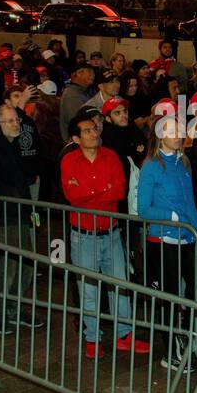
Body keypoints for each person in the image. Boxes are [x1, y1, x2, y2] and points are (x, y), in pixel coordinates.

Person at [60, 113, 146, 359]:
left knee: (119, 285)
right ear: (76, 138)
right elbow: (73, 196)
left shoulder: (111, 156)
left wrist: (90, 191)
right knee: (88, 289)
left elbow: (119, 190)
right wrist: (101, 190)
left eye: (95, 129)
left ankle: (124, 335)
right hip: (83, 235)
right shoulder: (69, 161)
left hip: (111, 232)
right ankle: (92, 338)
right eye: (87, 131)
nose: (94, 133)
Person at [137, 119, 197, 370]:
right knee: (171, 297)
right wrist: (173, 218)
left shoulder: (184, 163)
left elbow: (189, 201)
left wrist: (196, 225)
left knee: (191, 295)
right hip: (164, 239)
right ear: (159, 136)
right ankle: (170, 352)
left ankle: (185, 343)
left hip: (187, 238)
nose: (178, 135)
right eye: (172, 131)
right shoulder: (151, 167)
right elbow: (143, 209)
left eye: (180, 130)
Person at [0, 103, 43, 329]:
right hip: (4, 218)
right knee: (7, 267)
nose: (17, 125)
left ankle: (14, 308)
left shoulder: (10, 146)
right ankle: (0, 312)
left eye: (18, 120)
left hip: (19, 214)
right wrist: (14, 194)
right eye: (11, 121)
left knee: (25, 266)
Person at [58, 64, 94, 137]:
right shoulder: (72, 95)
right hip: (79, 141)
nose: (93, 75)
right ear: (79, 73)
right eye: (90, 72)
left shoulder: (85, 91)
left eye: (93, 73)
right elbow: (78, 125)